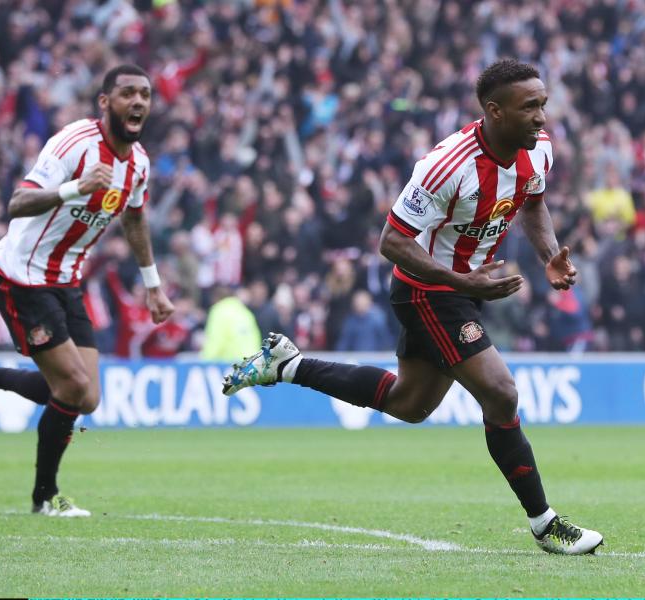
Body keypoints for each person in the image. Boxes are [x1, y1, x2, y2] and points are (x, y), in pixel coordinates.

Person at [220, 60, 602, 556]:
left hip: (463, 288)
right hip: (427, 289)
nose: (541, 117)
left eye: (543, 105)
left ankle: (289, 365)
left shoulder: (538, 152)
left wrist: (550, 254)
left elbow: (532, 204)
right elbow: (392, 242)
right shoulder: (447, 165)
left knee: (410, 404)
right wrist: (459, 280)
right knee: (502, 393)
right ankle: (544, 523)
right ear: (494, 111)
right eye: (530, 106)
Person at [0, 64, 174, 516]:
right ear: (105, 102)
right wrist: (75, 187)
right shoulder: (74, 144)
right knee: (71, 384)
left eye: (145, 95)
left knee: (85, 396)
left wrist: (153, 286)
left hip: (67, 281)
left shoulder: (139, 164)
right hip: (21, 277)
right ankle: (45, 497)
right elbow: (16, 203)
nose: (138, 102)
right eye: (127, 93)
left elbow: (133, 217)